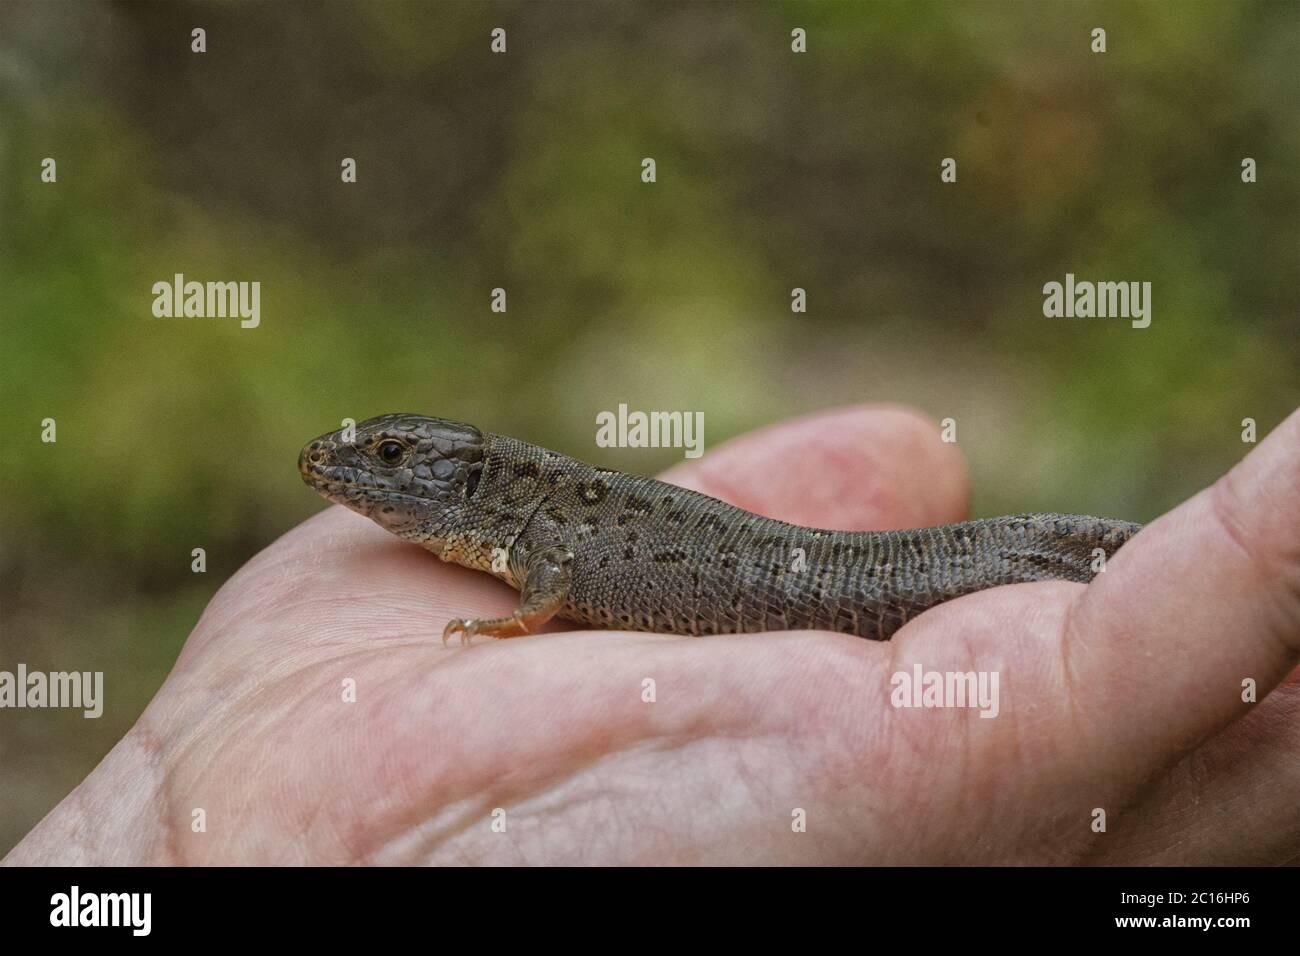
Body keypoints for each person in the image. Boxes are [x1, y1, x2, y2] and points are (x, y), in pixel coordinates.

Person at [5, 405, 1297, 865]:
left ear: (461, 477)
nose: (358, 472)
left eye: (390, 458)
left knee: (1047, 570)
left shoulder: (537, 536)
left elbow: (558, 572)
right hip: (843, 578)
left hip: (858, 579)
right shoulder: (504, 534)